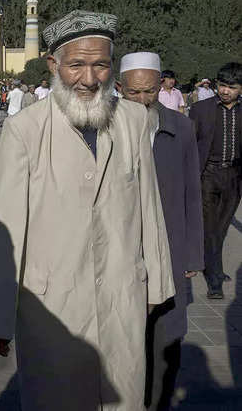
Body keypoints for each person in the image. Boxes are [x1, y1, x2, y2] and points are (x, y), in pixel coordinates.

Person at [0, 10, 175, 411]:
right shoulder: (25, 130)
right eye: (76, 65)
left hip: (121, 293)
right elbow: (6, 227)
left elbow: (149, 207)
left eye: (100, 65)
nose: (89, 79)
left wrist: (155, 283)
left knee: (122, 394)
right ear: (54, 64)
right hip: (53, 306)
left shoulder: (134, 120)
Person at [120, 52, 205, 410]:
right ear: (119, 89)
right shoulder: (106, 126)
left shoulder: (181, 127)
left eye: (150, 92)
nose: (142, 101)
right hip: (123, 253)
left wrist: (193, 254)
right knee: (123, 342)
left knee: (166, 340)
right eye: (134, 93)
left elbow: (191, 192)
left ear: (162, 86)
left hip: (169, 248)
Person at [189, 62, 242, 300]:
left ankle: (211, 263)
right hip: (208, 175)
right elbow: (191, 145)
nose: (225, 91)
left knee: (220, 229)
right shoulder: (201, 109)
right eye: (222, 85)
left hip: (234, 177)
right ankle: (215, 280)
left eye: (232, 86)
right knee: (210, 228)